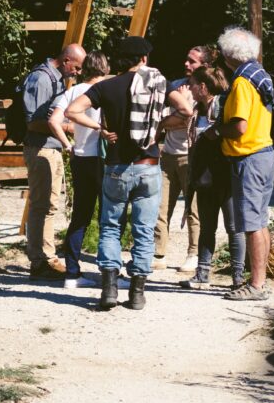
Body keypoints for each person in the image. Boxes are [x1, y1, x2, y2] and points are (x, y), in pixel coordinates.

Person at [65, 35, 166, 311]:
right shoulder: (156, 87)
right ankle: (137, 293)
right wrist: (158, 126)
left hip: (116, 167)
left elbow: (72, 111)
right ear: (143, 59)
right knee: (144, 230)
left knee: (110, 227)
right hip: (148, 166)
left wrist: (99, 129)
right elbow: (184, 108)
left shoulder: (107, 86)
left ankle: (108, 288)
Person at [215, 27, 274, 301]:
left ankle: (256, 285)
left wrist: (217, 130)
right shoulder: (260, 75)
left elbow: (239, 126)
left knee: (251, 223)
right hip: (265, 153)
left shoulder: (242, 82)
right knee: (260, 221)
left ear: (229, 57)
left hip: (249, 156)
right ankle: (260, 280)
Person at [179, 65, 246, 291]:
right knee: (207, 226)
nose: (189, 89)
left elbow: (236, 130)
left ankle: (238, 277)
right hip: (204, 176)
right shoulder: (197, 110)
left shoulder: (224, 105)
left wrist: (216, 131)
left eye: (193, 85)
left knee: (234, 227)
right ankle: (202, 273)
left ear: (203, 87)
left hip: (226, 174)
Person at [22, 43, 86, 280]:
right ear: (67, 60)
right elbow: (32, 122)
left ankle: (46, 257)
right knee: (41, 205)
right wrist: (66, 127)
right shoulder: (41, 79)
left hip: (51, 147)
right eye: (77, 67)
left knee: (49, 205)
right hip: (40, 149)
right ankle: (40, 262)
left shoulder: (57, 79)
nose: (77, 73)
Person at [47, 50, 111, 289]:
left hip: (81, 156)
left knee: (80, 216)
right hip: (103, 159)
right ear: (105, 68)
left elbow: (54, 120)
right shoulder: (109, 89)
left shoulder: (73, 91)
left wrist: (67, 144)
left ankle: (72, 273)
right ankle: (108, 273)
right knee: (108, 218)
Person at [153, 44, 216, 273]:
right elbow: (163, 115)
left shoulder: (206, 90)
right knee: (160, 206)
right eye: (187, 60)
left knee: (194, 209)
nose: (187, 64)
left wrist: (165, 122)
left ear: (205, 66)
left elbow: (184, 121)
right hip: (168, 154)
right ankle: (158, 252)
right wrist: (170, 119)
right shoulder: (176, 86)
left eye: (193, 61)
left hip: (192, 155)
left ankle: (193, 254)